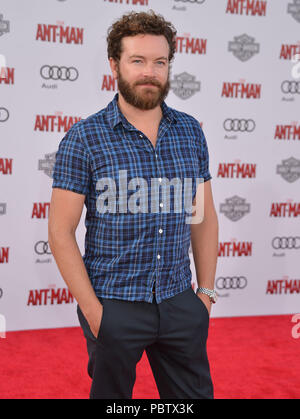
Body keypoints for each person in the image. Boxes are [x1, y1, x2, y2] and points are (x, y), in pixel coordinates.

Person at [48, 10, 219, 400]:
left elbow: (203, 217)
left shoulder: (190, 131)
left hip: (180, 301)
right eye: (137, 61)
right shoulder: (85, 138)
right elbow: (60, 231)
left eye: (160, 62)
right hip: (113, 303)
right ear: (114, 65)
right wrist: (95, 313)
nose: (150, 72)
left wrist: (204, 296)